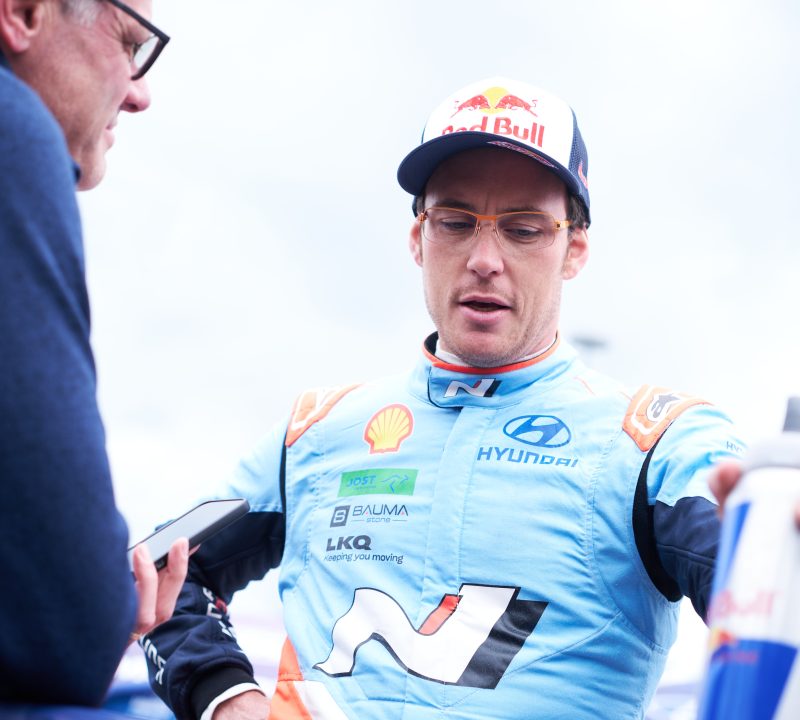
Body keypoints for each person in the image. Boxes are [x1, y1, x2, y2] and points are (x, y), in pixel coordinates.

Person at [142, 77, 745, 719]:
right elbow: (155, 569)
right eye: (455, 223)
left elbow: (764, 583)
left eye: (524, 229)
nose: (485, 259)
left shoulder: (657, 441)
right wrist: (225, 698)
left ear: (574, 250)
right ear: (417, 239)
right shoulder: (313, 432)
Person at [0, 0, 187, 711]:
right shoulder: (15, 131)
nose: (140, 93)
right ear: (23, 13)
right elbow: (65, 630)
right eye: (130, 43)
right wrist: (106, 603)